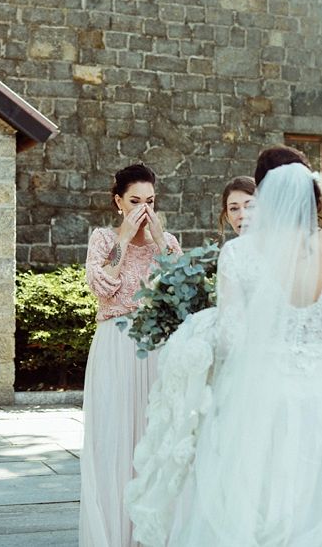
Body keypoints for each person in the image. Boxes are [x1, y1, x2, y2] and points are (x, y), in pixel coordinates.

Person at [127, 145, 322, 546]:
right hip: (315, 391)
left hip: (261, 396)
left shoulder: (240, 252)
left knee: (250, 504)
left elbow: (232, 336)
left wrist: (200, 332)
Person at [80, 163, 182, 547]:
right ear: (118, 201)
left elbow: (178, 289)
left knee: (154, 439)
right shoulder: (104, 238)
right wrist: (125, 236)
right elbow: (103, 285)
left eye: (151, 201)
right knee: (115, 439)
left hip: (157, 348)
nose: (144, 209)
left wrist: (158, 239)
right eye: (136, 201)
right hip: (116, 346)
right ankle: (115, 535)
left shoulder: (166, 241)